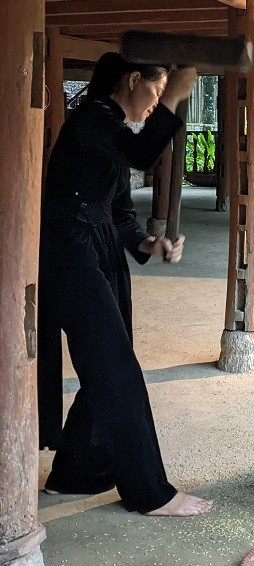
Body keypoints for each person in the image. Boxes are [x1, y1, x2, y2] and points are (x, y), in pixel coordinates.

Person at [38, 52, 212, 517]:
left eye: (162, 95)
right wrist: (177, 96)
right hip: (68, 250)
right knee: (116, 367)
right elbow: (141, 155)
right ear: (132, 80)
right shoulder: (91, 119)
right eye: (155, 91)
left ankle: (72, 473)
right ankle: (150, 492)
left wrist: (147, 244)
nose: (157, 103)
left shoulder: (109, 129)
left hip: (97, 248)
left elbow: (118, 211)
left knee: (106, 362)